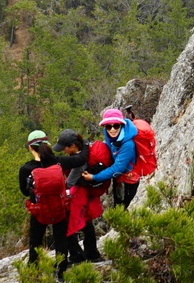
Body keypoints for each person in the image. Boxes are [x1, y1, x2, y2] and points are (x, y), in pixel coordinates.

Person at [52, 129, 104, 272]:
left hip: (79, 196)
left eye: (64, 148)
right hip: (86, 195)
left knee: (69, 225)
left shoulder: (79, 163)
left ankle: (78, 256)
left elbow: (70, 183)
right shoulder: (85, 148)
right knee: (87, 224)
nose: (63, 151)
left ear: (73, 146)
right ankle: (91, 253)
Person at [19, 131, 70, 266]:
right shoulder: (58, 162)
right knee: (61, 239)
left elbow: (24, 191)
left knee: (35, 240)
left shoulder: (26, 168)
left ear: (30, 147)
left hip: (38, 208)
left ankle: (34, 268)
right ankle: (61, 269)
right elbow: (79, 160)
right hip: (59, 205)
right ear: (47, 144)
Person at [111, 105, 156, 209]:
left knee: (120, 204)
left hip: (124, 177)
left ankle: (120, 214)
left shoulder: (125, 141)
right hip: (135, 175)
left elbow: (119, 164)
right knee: (126, 201)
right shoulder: (134, 134)